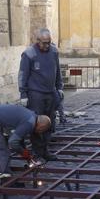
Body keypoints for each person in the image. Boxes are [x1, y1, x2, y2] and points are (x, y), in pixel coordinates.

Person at [18, 28, 62, 161]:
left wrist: (59, 87)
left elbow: (57, 70)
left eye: (49, 42)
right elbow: (22, 75)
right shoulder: (29, 54)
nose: (47, 45)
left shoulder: (54, 51)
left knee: (49, 122)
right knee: (36, 124)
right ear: (37, 41)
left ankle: (45, 150)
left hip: (50, 93)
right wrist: (23, 94)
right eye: (44, 43)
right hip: (35, 94)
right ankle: (37, 151)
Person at [0, 103, 51, 174]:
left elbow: (20, 139)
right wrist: (23, 152)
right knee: (3, 150)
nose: (39, 132)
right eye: (41, 130)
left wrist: (27, 155)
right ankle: (5, 177)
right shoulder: (29, 123)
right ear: (41, 126)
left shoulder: (32, 116)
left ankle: (5, 172)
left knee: (5, 147)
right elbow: (13, 142)